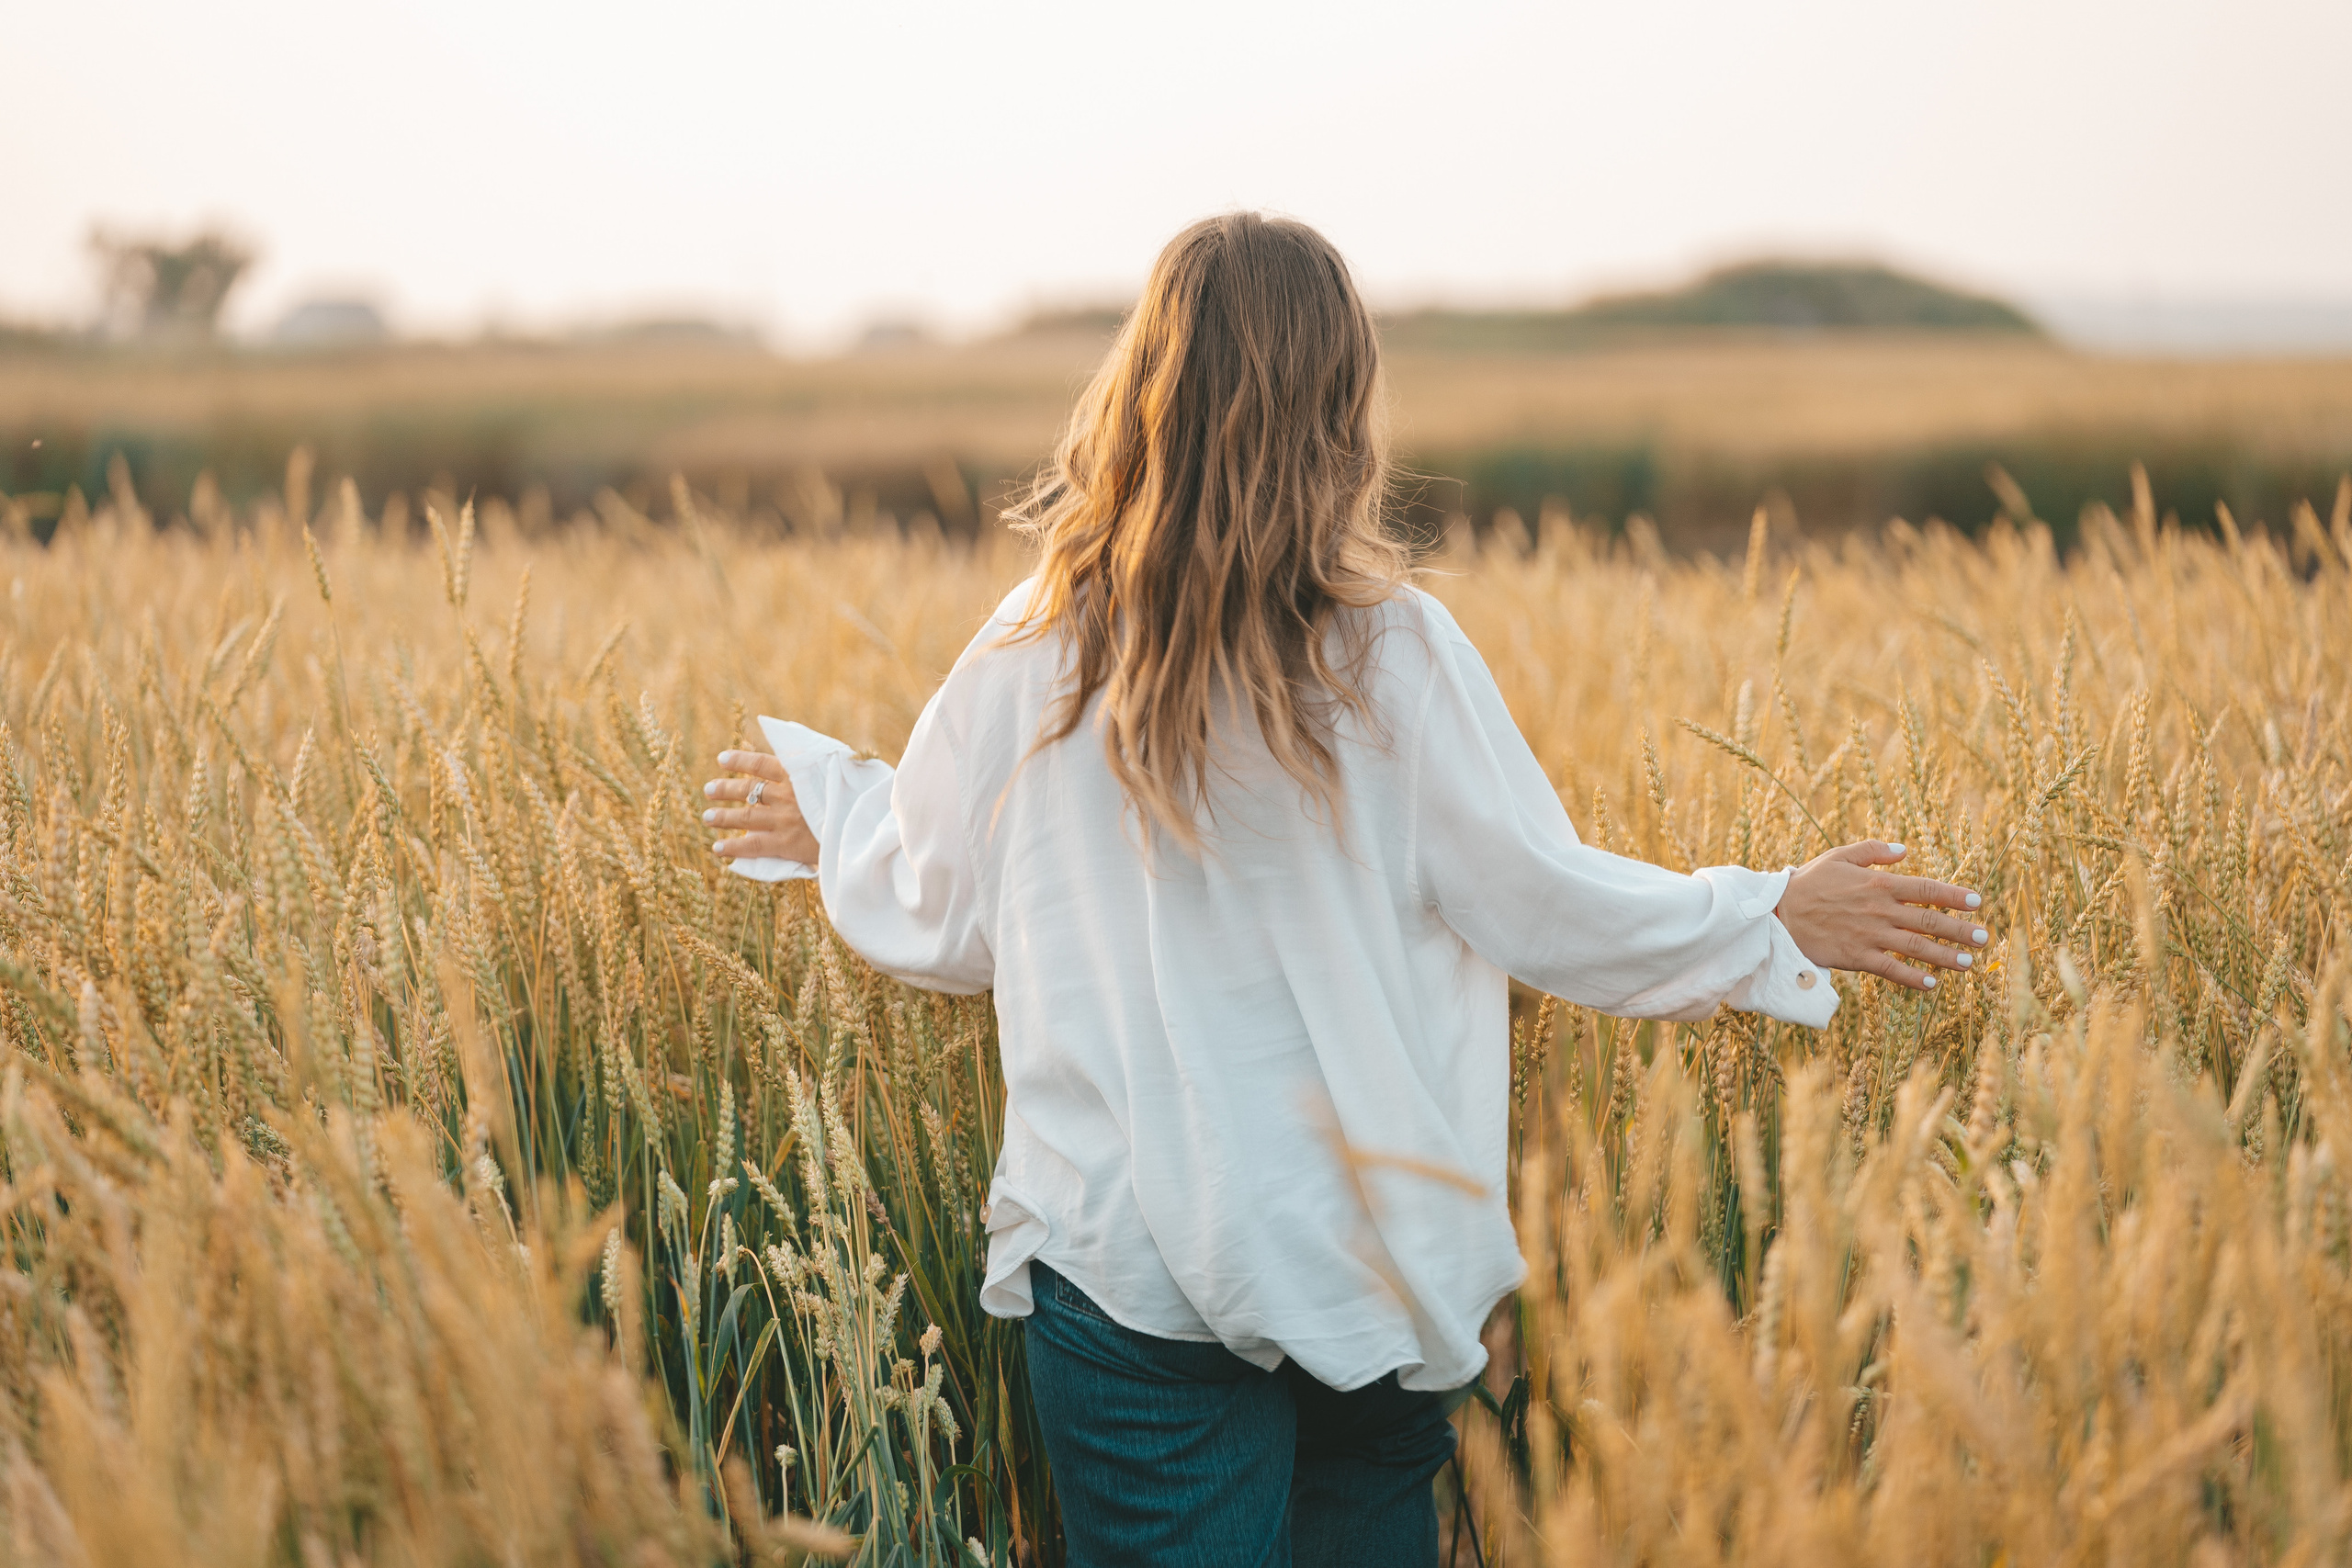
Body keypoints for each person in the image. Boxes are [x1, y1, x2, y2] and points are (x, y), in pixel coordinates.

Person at [700, 212, 1987, 1567]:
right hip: (1374, 1277)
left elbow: (944, 915)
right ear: (1344, 412)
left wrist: (839, 809)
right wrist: (1768, 912)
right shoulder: (1398, 657)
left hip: (1130, 1281)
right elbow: (1546, 906)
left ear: (1143, 394)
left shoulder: (1034, 652)